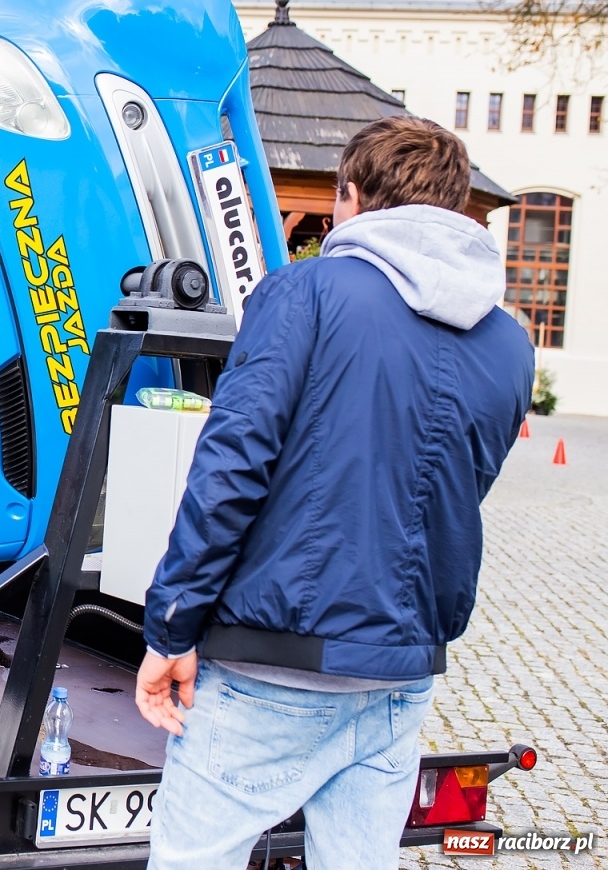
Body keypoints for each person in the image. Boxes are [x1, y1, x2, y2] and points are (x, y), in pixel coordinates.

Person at [134, 116, 533, 869]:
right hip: (401, 673)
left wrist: (172, 627)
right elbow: (459, 487)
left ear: (352, 197)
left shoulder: (304, 292)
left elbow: (231, 469)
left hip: (274, 665)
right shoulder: (509, 340)